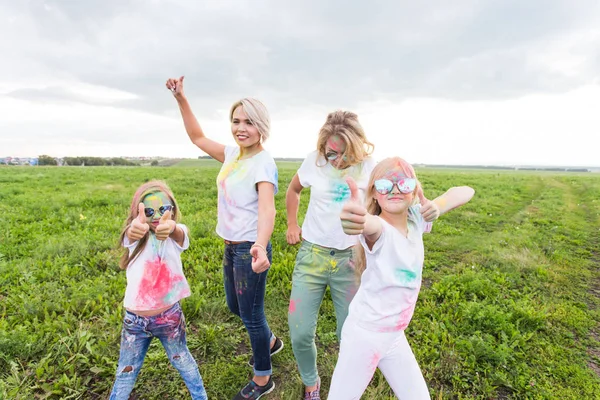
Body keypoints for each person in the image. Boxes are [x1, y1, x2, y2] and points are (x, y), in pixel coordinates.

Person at [166, 76, 281, 399]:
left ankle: (263, 379)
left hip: (249, 248)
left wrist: (259, 245)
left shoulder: (263, 162)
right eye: (236, 121)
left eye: (249, 122)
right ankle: (271, 343)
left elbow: (268, 210)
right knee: (236, 306)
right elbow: (197, 137)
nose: (240, 128)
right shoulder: (233, 154)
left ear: (262, 126)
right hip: (231, 246)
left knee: (252, 316)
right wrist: (181, 99)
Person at [328, 157, 475, 399]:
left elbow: (465, 191)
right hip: (365, 337)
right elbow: (367, 224)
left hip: (395, 336)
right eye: (385, 185)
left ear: (415, 190)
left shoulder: (417, 219)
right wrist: (356, 219)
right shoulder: (379, 229)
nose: (395, 189)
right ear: (374, 193)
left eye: (404, 184)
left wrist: (438, 207)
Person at [285, 111, 375, 399]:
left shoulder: (370, 168)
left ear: (357, 147)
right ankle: (311, 384)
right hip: (312, 255)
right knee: (299, 332)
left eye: (344, 154)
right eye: (331, 152)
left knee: (349, 334)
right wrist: (291, 223)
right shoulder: (314, 160)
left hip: (351, 259)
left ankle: (345, 385)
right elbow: (294, 190)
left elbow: (381, 208)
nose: (336, 160)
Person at [110, 180, 207, 400]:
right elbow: (129, 234)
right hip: (135, 321)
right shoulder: (133, 237)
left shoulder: (175, 235)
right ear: (138, 212)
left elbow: (181, 232)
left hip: (169, 318)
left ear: (172, 210)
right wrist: (135, 229)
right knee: (126, 371)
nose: (157, 216)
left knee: (182, 360)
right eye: (150, 210)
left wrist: (171, 227)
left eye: (163, 209)